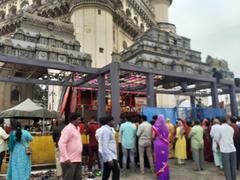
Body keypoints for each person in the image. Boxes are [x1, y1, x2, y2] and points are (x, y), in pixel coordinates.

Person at [58, 112, 83, 180]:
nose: (80, 121)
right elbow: (61, 143)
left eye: (80, 119)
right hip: (69, 161)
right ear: (73, 120)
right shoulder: (68, 129)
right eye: (78, 120)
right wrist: (66, 158)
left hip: (77, 159)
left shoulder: (77, 128)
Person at [152, 115, 169, 180]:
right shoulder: (167, 127)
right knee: (164, 160)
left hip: (158, 144)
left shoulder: (155, 127)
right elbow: (167, 136)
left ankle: (160, 176)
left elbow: (153, 136)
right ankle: (165, 176)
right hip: (165, 144)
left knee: (158, 159)